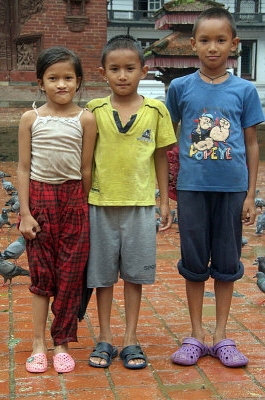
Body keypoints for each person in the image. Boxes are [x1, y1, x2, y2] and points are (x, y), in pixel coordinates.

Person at [166, 7, 264, 368]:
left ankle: (222, 334)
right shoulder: (179, 88)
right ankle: (196, 334)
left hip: (232, 189)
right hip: (192, 188)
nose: (212, 47)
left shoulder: (244, 90)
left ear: (233, 44)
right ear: (193, 44)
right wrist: (167, 189)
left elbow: (252, 144)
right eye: (204, 40)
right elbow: (169, 137)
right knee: (194, 262)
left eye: (220, 40)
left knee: (226, 261)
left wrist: (251, 194)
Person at [83, 35, 176, 369]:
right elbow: (85, 160)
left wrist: (164, 201)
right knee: (102, 276)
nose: (122, 75)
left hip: (140, 206)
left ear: (144, 70)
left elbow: (161, 159)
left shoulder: (156, 111)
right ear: (102, 73)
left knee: (134, 275)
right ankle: (105, 337)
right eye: (115, 69)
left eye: (130, 68)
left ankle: (131, 339)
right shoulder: (93, 111)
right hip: (100, 205)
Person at [17, 46, 97, 373]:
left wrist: (82, 204)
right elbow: (23, 168)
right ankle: (38, 343)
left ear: (79, 81)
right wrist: (24, 213)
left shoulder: (86, 118)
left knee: (70, 275)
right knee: (41, 275)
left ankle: (61, 342)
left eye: (68, 77)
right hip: (39, 198)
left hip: (74, 198)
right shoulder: (30, 119)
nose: (61, 84)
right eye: (53, 78)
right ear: (41, 82)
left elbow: (87, 168)